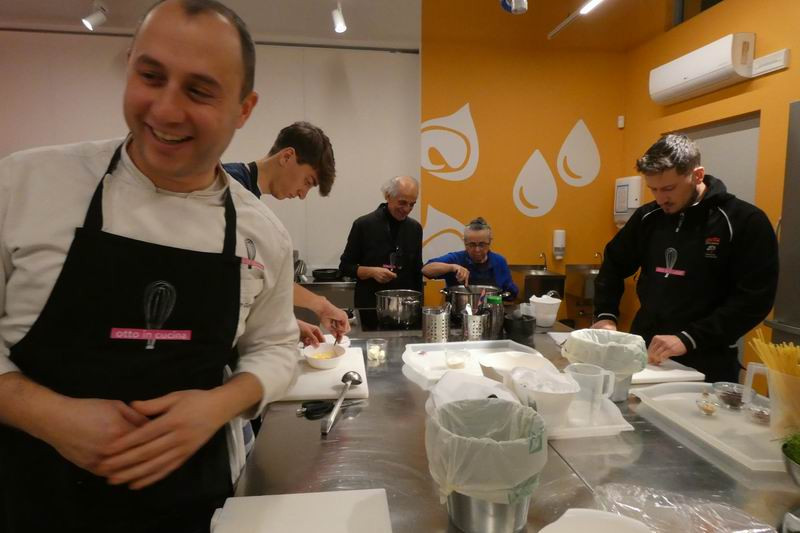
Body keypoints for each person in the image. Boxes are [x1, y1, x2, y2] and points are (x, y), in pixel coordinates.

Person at [0, 1, 300, 531]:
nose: (165, 110)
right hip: (27, 501)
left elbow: (277, 346)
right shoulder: (24, 185)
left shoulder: (263, 233)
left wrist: (220, 404)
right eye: (151, 76)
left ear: (244, 109)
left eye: (199, 91)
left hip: (195, 509)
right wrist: (48, 416)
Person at [591, 133, 779, 383]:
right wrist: (606, 315)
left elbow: (755, 299)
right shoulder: (649, 217)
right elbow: (613, 264)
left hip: (707, 360)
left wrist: (689, 338)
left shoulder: (744, 221)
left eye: (669, 188)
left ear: (697, 175)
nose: (661, 199)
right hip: (646, 352)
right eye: (653, 189)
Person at [223, 122, 349, 346]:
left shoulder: (248, 194)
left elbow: (251, 283)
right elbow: (225, 283)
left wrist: (291, 324)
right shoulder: (229, 187)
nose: (302, 195)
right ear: (287, 156)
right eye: (307, 182)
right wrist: (320, 306)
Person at [339, 176, 423, 308]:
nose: (407, 209)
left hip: (406, 307)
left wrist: (419, 307)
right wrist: (372, 272)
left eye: (412, 204)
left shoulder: (415, 228)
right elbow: (345, 267)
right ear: (388, 196)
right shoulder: (363, 225)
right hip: (370, 306)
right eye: (402, 202)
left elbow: (417, 272)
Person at [422, 217, 518, 300]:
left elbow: (511, 294)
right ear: (465, 242)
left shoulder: (499, 261)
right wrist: (453, 267)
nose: (477, 250)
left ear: (490, 242)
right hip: (458, 311)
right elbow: (426, 269)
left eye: (482, 244)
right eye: (472, 245)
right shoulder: (456, 259)